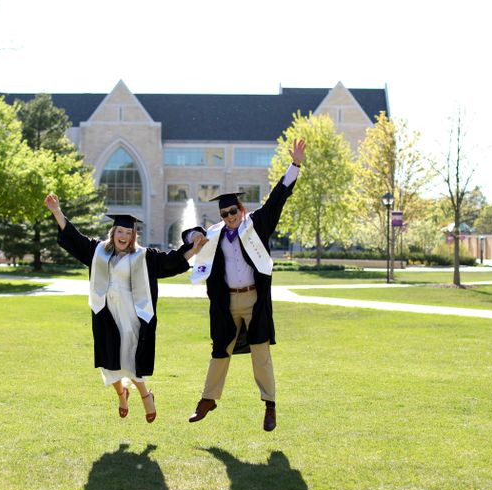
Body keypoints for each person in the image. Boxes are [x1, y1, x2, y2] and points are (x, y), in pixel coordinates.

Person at [45, 193, 206, 423]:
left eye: (128, 233)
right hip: (105, 313)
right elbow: (74, 238)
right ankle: (122, 395)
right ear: (113, 233)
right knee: (109, 361)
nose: (124, 236)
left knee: (130, 358)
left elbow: (170, 262)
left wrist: (193, 250)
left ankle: (145, 395)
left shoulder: (143, 256)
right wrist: (56, 212)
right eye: (120, 231)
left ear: (133, 236)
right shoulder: (98, 251)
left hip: (132, 314)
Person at [184, 138, 306, 431]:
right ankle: (208, 400)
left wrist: (295, 165)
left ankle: (270, 405)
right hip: (227, 303)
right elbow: (191, 235)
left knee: (261, 352)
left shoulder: (257, 225)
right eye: (224, 214)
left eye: (233, 212)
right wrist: (191, 239)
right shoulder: (213, 234)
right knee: (219, 350)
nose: (229, 218)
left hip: (254, 300)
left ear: (241, 209)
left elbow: (278, 198)